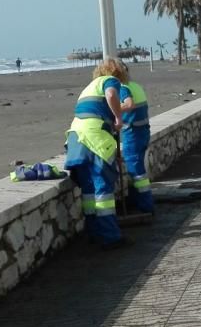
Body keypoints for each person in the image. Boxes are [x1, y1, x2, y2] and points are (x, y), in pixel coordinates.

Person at [64, 58, 131, 249]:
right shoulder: (111, 81)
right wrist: (118, 118)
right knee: (103, 190)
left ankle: (93, 233)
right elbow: (111, 95)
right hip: (95, 138)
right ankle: (110, 237)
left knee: (88, 191)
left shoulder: (90, 86)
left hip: (76, 138)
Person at [119, 66, 153, 214]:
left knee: (135, 170)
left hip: (132, 132)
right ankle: (135, 200)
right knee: (138, 168)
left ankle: (145, 205)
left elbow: (126, 105)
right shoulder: (136, 86)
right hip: (143, 130)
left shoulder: (123, 88)